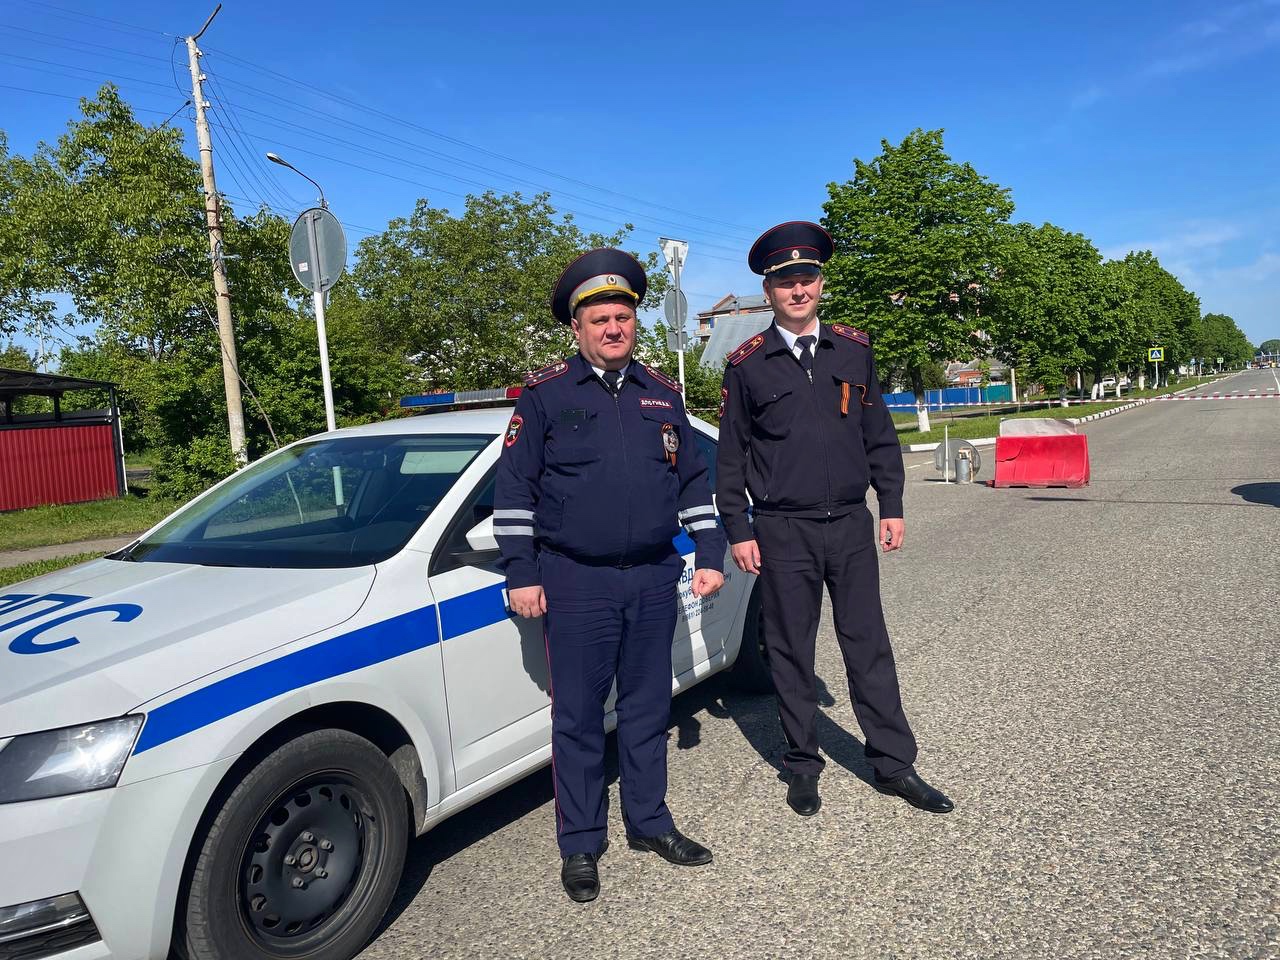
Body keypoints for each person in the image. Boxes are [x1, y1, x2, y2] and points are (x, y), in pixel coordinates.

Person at [495, 247, 727, 903]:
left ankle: (650, 823)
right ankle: (580, 844)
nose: (613, 328)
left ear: (634, 322)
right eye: (599, 319)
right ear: (577, 328)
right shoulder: (545, 396)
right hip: (576, 581)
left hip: (653, 575)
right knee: (577, 718)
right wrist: (521, 571)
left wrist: (710, 551)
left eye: (622, 317)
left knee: (649, 707)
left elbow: (692, 482)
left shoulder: (662, 394)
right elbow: (513, 492)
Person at [715, 221, 953, 818]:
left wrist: (891, 504)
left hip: (848, 523)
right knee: (790, 651)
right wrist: (739, 530)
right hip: (782, 529)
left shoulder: (853, 350)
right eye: (785, 282)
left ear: (821, 283)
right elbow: (731, 457)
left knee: (868, 645)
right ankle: (802, 764)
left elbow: (879, 435)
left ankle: (894, 765)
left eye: (807, 278)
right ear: (768, 291)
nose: (798, 290)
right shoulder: (747, 365)